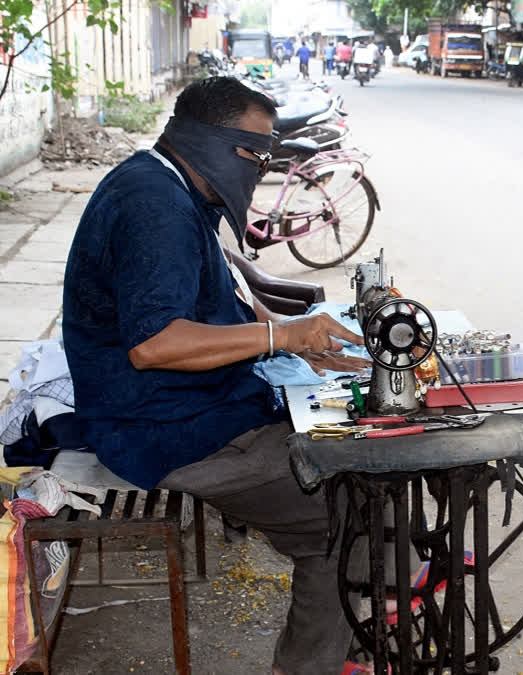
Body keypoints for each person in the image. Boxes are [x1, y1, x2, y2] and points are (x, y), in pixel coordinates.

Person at [61, 76, 414, 675]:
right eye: (255, 153)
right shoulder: (155, 208)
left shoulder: (166, 182)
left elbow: (217, 296)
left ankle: (351, 631)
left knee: (359, 471)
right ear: (208, 140)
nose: (263, 167)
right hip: (164, 426)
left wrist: (297, 337)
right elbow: (155, 343)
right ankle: (312, 664)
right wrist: (281, 338)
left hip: (190, 402)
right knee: (352, 509)